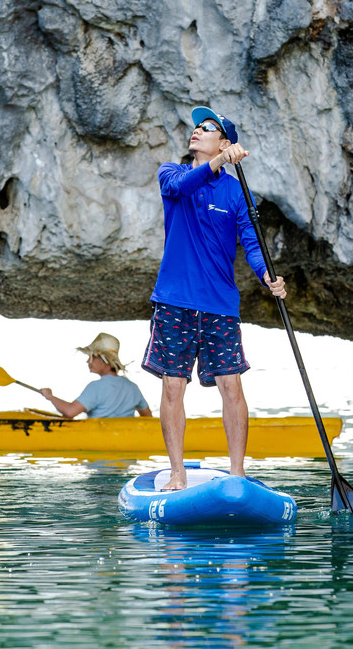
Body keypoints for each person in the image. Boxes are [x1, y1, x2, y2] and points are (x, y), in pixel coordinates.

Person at [141, 106, 287, 490]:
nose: (197, 130)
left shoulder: (236, 191)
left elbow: (252, 243)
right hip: (174, 301)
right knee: (173, 385)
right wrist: (220, 160)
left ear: (224, 140)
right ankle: (177, 473)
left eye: (208, 128)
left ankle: (237, 473)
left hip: (220, 304)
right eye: (196, 126)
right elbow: (180, 189)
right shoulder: (172, 172)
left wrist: (267, 275)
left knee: (231, 386)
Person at [40, 333, 153, 419]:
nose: (88, 361)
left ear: (106, 361)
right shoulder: (133, 388)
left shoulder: (97, 387)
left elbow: (70, 412)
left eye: (92, 357)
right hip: (125, 444)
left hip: (101, 444)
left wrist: (50, 397)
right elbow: (147, 417)